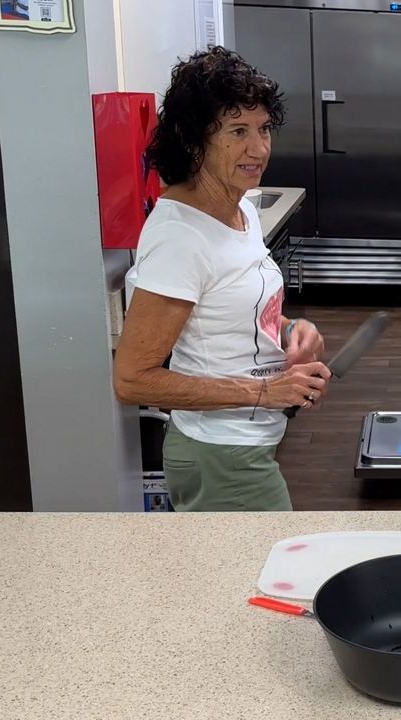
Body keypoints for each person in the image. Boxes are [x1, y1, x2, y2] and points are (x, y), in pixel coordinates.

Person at [114, 47, 328, 511]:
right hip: (220, 456)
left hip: (249, 442)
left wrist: (292, 332)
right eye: (237, 132)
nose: (259, 148)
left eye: (264, 128)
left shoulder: (241, 209)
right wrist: (264, 392)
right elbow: (133, 380)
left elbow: (235, 312)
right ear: (194, 141)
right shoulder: (180, 237)